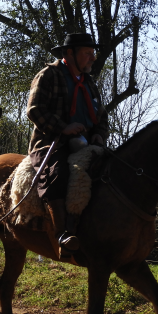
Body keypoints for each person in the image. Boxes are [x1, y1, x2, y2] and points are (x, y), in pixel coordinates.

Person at [26, 32, 109, 258]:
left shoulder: (90, 83)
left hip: (87, 144)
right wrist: (63, 127)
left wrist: (99, 136)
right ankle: (63, 234)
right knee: (57, 174)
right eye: (87, 53)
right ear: (69, 54)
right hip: (51, 142)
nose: (93, 58)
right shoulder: (48, 75)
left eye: (93, 54)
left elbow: (102, 118)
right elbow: (34, 110)